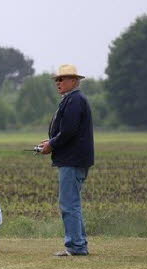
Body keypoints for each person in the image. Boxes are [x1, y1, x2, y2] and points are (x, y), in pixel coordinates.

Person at [39, 64, 94, 256]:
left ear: (74, 81)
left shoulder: (74, 100)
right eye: (57, 80)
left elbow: (69, 131)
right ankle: (79, 244)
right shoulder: (71, 99)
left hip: (72, 160)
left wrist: (51, 145)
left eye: (62, 79)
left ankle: (76, 246)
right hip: (73, 158)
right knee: (73, 203)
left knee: (68, 204)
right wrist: (52, 141)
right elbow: (68, 130)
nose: (58, 83)